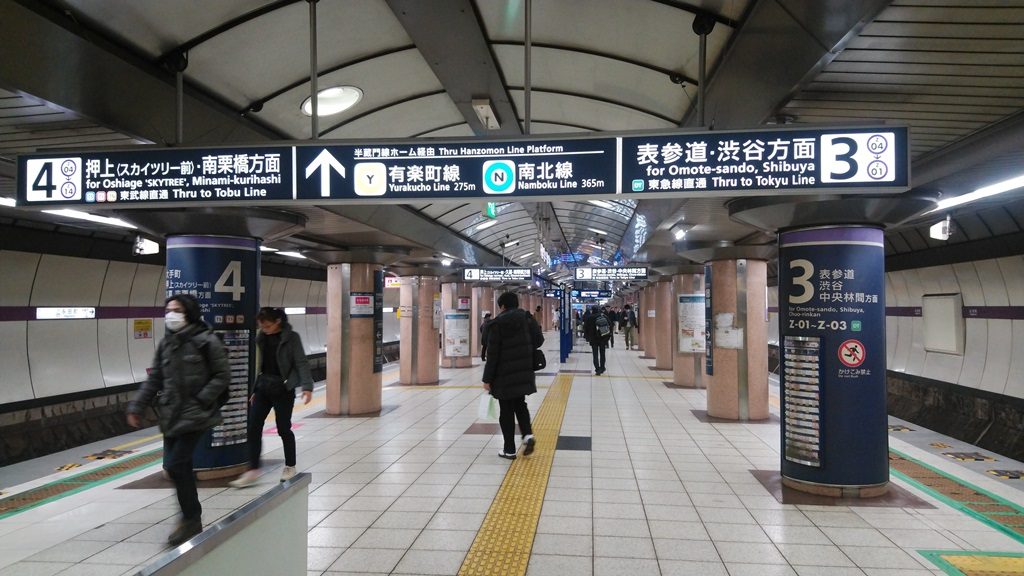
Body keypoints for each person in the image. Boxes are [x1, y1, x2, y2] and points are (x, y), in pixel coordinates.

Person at [126, 294, 230, 547]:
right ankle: (190, 518)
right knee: (179, 468)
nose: (171, 315)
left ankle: (191, 518)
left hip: (196, 415)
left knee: (175, 465)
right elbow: (155, 378)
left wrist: (201, 399)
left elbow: (222, 375)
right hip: (171, 414)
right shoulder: (167, 344)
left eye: (177, 310)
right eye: (168, 310)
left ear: (189, 313)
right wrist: (137, 405)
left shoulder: (207, 341)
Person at [230, 307, 313, 487]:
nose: (264, 329)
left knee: (283, 428)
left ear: (278, 322)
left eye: (267, 326)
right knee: (253, 427)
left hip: (283, 389)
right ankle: (253, 469)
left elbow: (301, 362)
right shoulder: (261, 337)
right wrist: (254, 390)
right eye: (262, 326)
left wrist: (307, 387)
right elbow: (260, 366)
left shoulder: (292, 338)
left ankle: (290, 466)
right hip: (263, 387)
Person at [482, 292, 543, 460]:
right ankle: (528, 436)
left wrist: (487, 379)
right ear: (516, 303)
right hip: (523, 371)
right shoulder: (527, 319)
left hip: (503, 375)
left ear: (502, 306)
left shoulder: (496, 324)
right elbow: (539, 340)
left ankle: (509, 449)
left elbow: (492, 355)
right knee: (520, 405)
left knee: (506, 411)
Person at [584, 305, 613, 375]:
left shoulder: (589, 318)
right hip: (603, 338)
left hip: (593, 339)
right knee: (602, 353)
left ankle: (597, 369)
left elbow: (585, 328)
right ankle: (602, 367)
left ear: (592, 310)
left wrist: (587, 338)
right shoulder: (603, 316)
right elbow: (610, 325)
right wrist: (608, 336)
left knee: (595, 354)